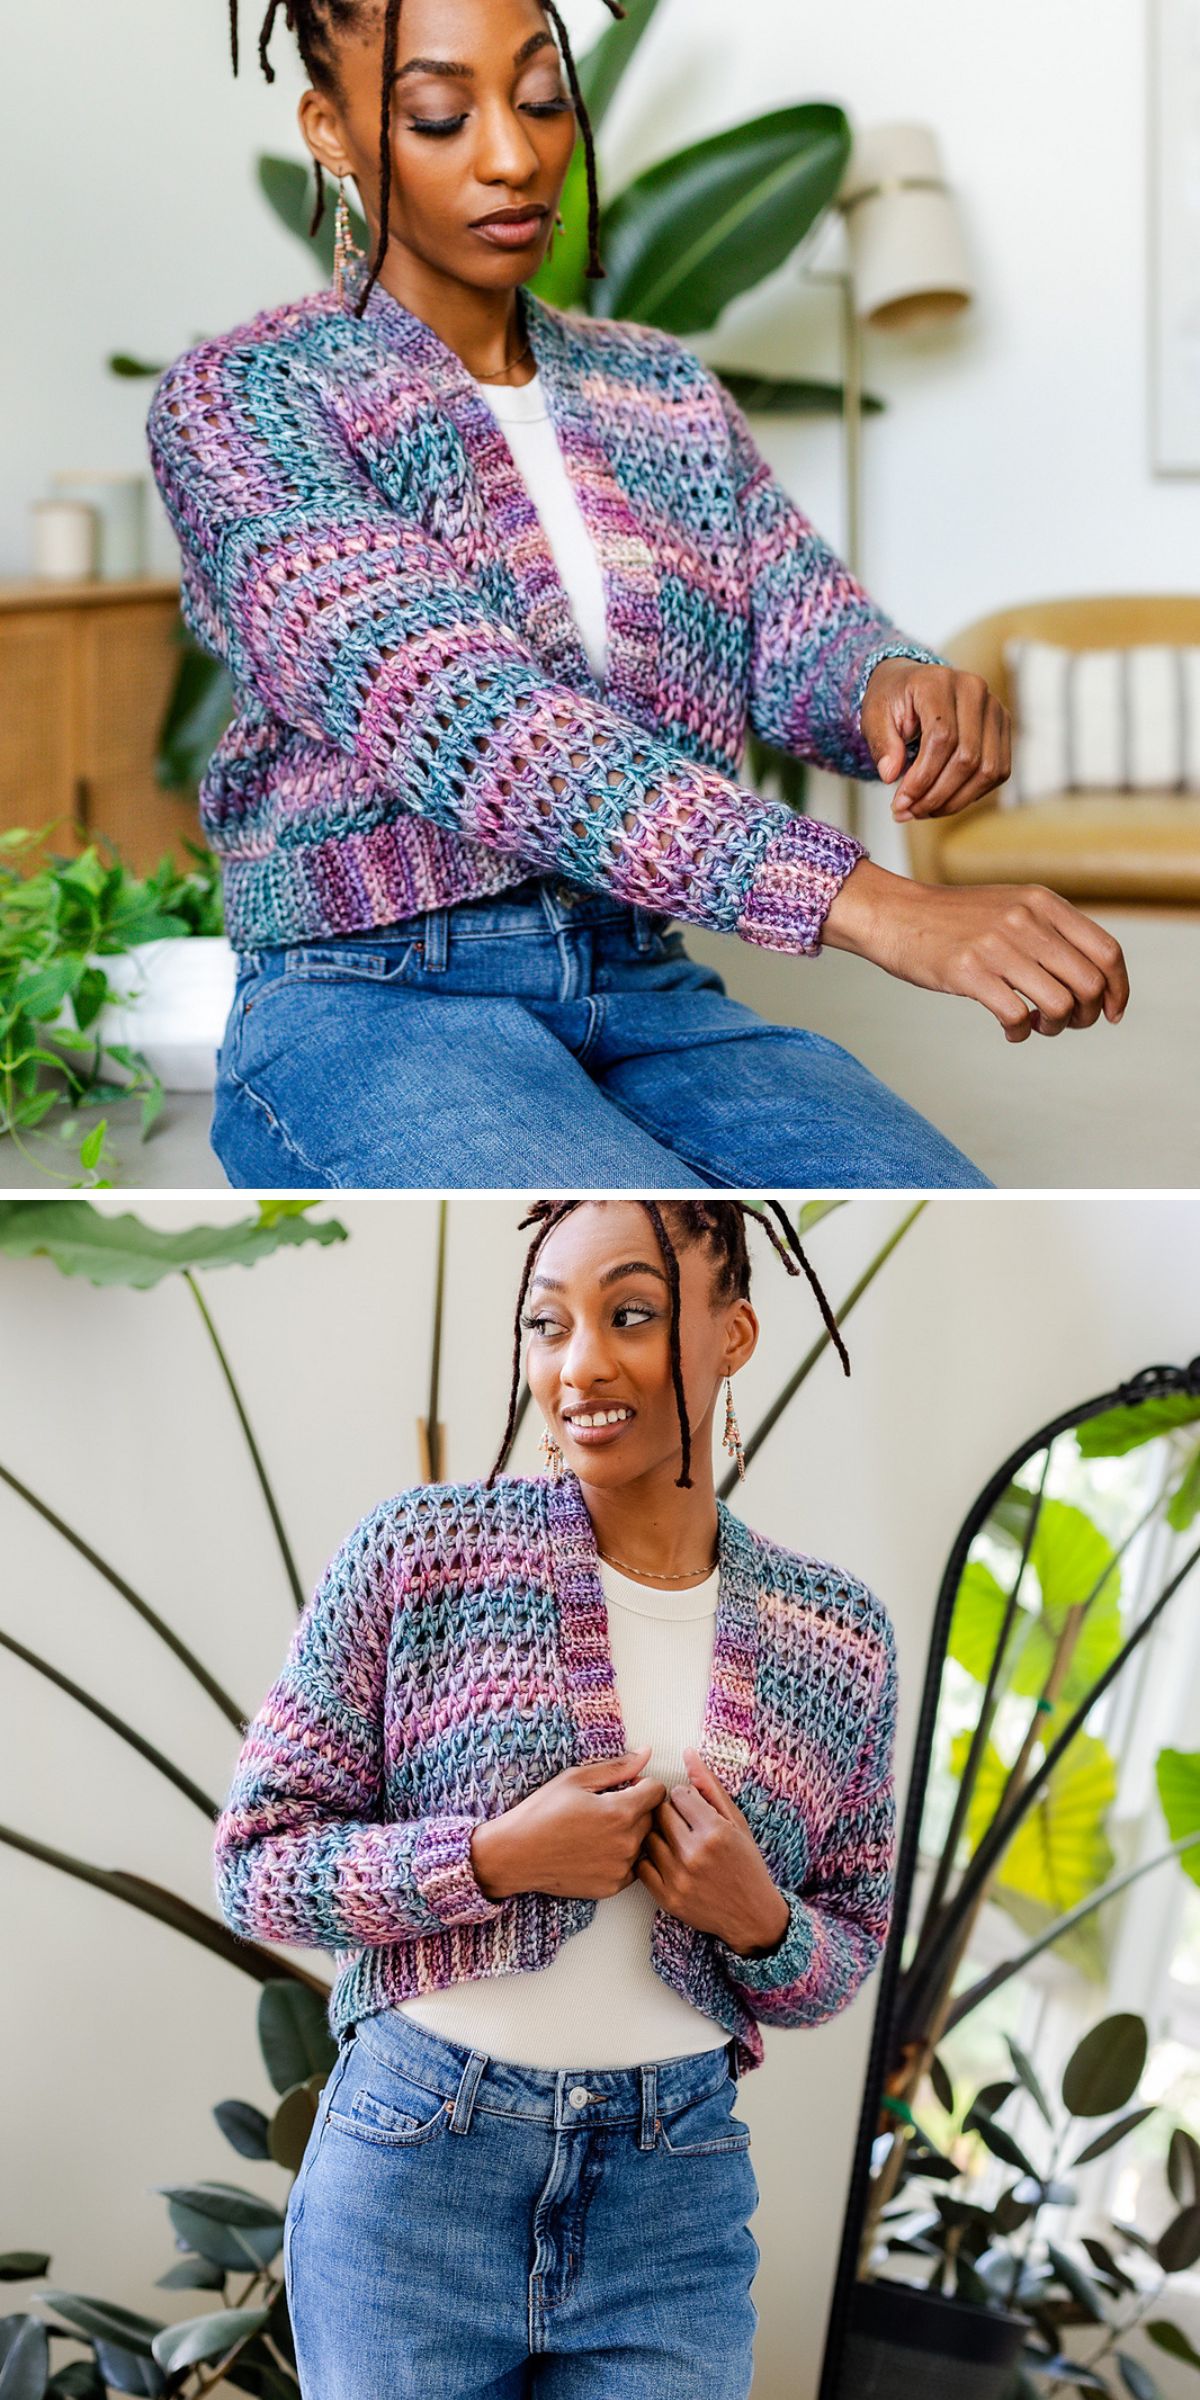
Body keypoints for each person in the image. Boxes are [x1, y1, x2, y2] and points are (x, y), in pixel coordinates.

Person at [148, 0, 1128, 1189]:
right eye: (441, 116)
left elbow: (792, 622)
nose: (512, 154)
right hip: (372, 999)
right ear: (334, 131)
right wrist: (868, 903)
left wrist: (891, 686)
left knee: (935, 1199)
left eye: (544, 99)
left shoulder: (658, 385)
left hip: (644, 977)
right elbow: (469, 718)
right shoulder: (244, 400)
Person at [212, 1198, 899, 2396]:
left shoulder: (837, 1638)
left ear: (731, 1335)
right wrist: (491, 1861)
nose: (580, 1365)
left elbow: (845, 1953)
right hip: (414, 2173)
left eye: (630, 1315)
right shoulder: (418, 1555)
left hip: (671, 2199)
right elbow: (260, 1865)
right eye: (547, 1324)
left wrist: (760, 1919)